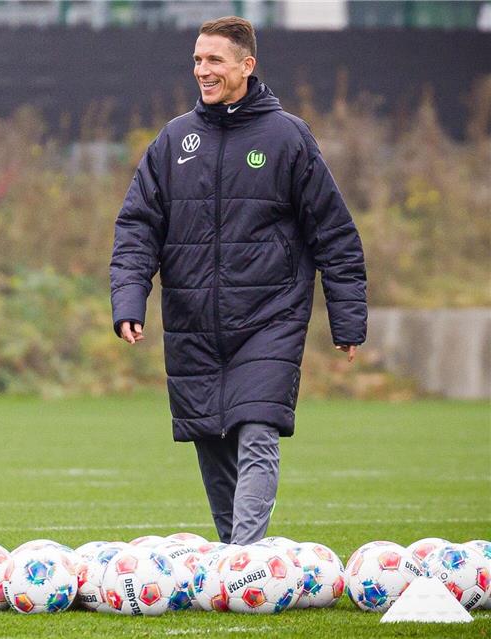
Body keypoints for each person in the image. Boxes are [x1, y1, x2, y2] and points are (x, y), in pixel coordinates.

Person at [109, 16, 367, 545]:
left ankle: (246, 560)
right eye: (198, 60)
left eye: (215, 60)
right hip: (193, 322)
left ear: (247, 65)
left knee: (256, 432)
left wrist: (348, 317)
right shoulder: (174, 139)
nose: (203, 70)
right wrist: (129, 299)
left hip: (269, 318)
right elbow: (138, 226)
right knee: (211, 440)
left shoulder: (288, 137)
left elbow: (334, 233)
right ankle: (234, 559)